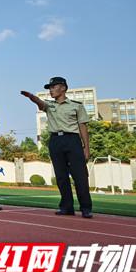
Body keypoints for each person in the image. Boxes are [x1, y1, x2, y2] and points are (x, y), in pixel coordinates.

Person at [21, 76, 93, 218]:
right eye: (50, 88)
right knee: (61, 176)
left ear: (63, 88)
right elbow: (40, 103)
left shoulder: (76, 106)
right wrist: (31, 97)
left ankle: (86, 207)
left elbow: (82, 126)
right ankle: (67, 207)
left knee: (80, 176)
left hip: (72, 140)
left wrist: (86, 148)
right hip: (55, 141)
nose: (51, 90)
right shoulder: (50, 105)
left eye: (53, 87)